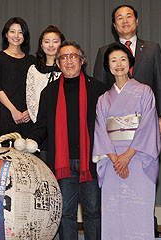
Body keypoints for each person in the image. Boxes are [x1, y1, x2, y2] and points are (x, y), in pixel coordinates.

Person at [29, 40, 106, 240]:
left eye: (73, 56)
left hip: (91, 162)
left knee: (93, 213)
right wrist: (29, 142)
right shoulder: (50, 91)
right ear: (58, 63)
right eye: (64, 57)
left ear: (82, 61)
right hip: (62, 163)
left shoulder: (98, 89)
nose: (69, 61)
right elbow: (42, 125)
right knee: (65, 215)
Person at [92, 43, 161, 239]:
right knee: (114, 211)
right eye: (113, 60)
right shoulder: (103, 99)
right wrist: (115, 159)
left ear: (130, 63)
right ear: (108, 66)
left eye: (123, 59)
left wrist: (127, 156)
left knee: (138, 210)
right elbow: (100, 131)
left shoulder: (145, 92)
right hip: (112, 160)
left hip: (138, 158)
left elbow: (148, 126)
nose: (118, 64)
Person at [93, 4, 161, 137]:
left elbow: (160, 83)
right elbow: (99, 87)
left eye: (129, 16)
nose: (125, 21)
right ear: (114, 25)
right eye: (120, 18)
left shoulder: (152, 49)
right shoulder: (104, 52)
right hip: (115, 120)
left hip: (147, 116)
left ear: (137, 21)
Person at [0, 17, 35, 139]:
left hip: (27, 117)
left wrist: (29, 111)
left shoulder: (32, 60)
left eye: (20, 32)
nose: (16, 35)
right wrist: (13, 111)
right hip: (5, 113)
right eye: (12, 31)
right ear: (6, 34)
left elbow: (35, 90)